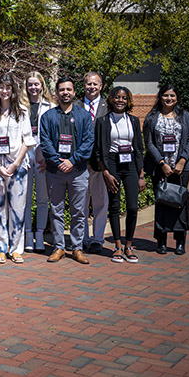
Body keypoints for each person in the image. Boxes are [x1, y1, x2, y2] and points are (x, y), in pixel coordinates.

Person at [40, 77, 94, 264]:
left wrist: (72, 161)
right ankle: (59, 247)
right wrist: (58, 161)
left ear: (74, 92)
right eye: (62, 90)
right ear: (56, 93)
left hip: (78, 171)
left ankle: (77, 248)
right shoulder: (48, 117)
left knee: (79, 211)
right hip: (55, 172)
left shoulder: (84, 116)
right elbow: (45, 143)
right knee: (56, 210)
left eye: (68, 89)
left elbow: (88, 142)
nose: (65, 93)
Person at [0, 75, 36, 264]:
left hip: (18, 165)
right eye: (1, 87)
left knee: (17, 208)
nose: (4, 91)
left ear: (13, 90)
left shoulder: (21, 111)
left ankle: (16, 249)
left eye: (8, 88)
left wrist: (15, 164)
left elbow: (27, 139)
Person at [143, 84, 189, 255]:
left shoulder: (184, 116)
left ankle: (180, 241)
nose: (169, 99)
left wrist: (181, 161)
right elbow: (149, 143)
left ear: (177, 98)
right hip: (160, 168)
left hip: (181, 169)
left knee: (180, 203)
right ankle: (161, 241)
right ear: (160, 97)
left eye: (172, 96)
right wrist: (161, 163)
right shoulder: (152, 117)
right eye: (166, 95)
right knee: (162, 203)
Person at [94, 86, 145, 263]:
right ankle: (117, 246)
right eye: (117, 97)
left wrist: (141, 175)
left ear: (128, 100)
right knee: (114, 206)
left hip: (130, 164)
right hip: (112, 164)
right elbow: (99, 151)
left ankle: (128, 245)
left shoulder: (133, 120)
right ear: (111, 99)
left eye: (123, 98)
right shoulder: (102, 121)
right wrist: (106, 173)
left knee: (132, 207)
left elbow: (139, 148)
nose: (120, 100)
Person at [75, 71, 109, 254]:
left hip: (100, 165)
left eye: (95, 84)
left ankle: (97, 239)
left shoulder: (108, 107)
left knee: (100, 203)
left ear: (101, 86)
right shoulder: (76, 106)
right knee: (80, 203)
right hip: (80, 163)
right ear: (84, 85)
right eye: (89, 84)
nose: (92, 87)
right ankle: (82, 238)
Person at [23, 71, 54, 253]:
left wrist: (48, 157)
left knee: (43, 198)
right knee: (26, 199)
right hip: (25, 153)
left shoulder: (50, 106)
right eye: (30, 85)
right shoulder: (20, 106)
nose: (33, 88)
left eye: (36, 84)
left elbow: (53, 134)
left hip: (43, 155)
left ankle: (40, 234)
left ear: (42, 85)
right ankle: (28, 234)